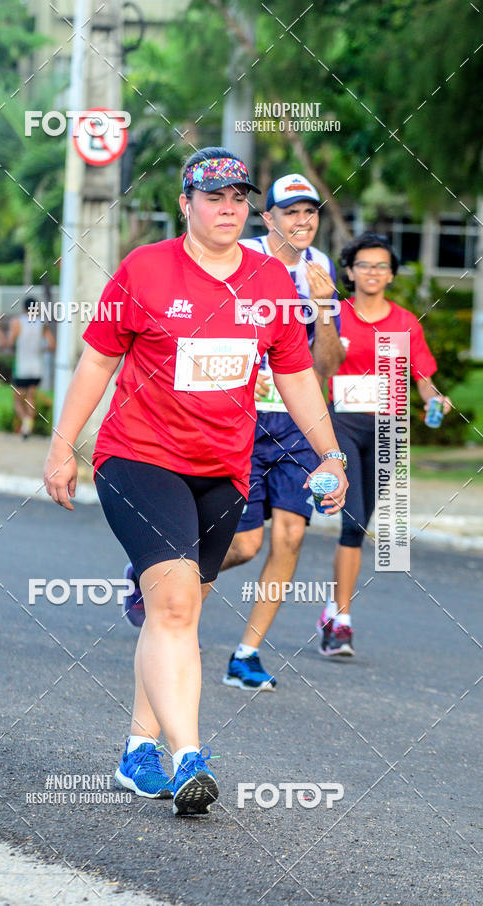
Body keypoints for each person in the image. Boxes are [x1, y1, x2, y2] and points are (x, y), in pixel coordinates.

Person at [44, 147, 348, 817]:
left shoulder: (271, 282)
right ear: (186, 204)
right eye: (213, 197)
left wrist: (331, 455)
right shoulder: (145, 269)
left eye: (239, 198)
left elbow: (295, 374)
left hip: (222, 472)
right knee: (178, 609)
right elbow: (97, 362)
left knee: (175, 615)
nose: (228, 208)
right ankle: (189, 759)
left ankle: (137, 750)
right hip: (139, 458)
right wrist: (63, 447)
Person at [218, 173, 346, 691]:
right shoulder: (240, 257)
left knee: (291, 534)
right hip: (242, 418)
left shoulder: (321, 268)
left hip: (296, 423)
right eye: (290, 211)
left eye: (309, 211)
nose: (302, 220)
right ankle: (157, 578)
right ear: (267, 217)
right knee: (245, 545)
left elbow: (327, 366)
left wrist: (325, 309)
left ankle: (245, 655)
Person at [317, 232, 451, 657]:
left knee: (360, 526)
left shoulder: (405, 323)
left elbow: (423, 379)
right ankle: (342, 622)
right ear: (350, 271)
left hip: (387, 431)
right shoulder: (336, 315)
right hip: (342, 424)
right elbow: (316, 368)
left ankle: (332, 612)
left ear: (391, 274)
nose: (372, 272)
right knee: (352, 521)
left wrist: (435, 400)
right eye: (364, 265)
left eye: (381, 266)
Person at [7, 297, 55, 437]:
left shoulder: (17, 322)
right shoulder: (42, 323)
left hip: (22, 367)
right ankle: (28, 428)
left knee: (17, 400)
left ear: (23, 308)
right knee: (31, 398)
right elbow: (52, 345)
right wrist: (40, 349)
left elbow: (10, 342)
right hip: (37, 367)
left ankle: (26, 421)